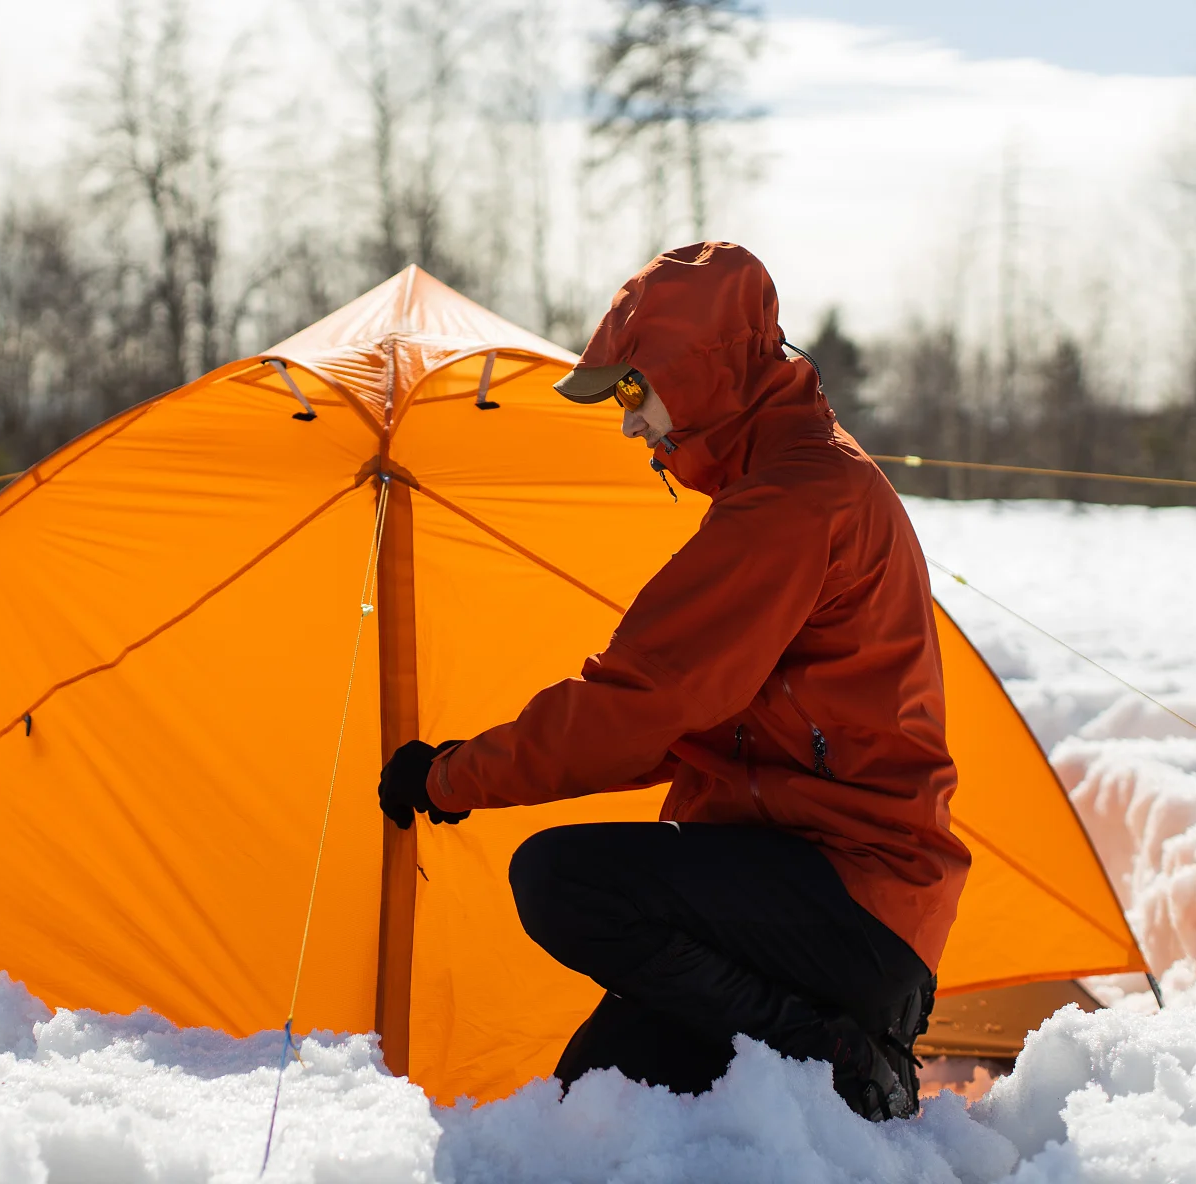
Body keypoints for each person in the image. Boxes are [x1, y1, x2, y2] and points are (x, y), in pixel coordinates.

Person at [376, 242, 970, 1121]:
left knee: (561, 879)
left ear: (698, 375)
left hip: (854, 897)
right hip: (798, 901)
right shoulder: (791, 480)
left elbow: (637, 705)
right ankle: (823, 1046)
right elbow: (682, 727)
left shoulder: (794, 506)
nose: (626, 422)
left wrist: (451, 776)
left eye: (631, 391)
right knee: (599, 1102)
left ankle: (833, 1053)